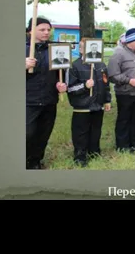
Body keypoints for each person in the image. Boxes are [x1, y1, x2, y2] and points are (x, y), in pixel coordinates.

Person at [25, 17, 67, 169]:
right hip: (28, 100)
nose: (46, 33)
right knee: (27, 133)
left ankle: (35, 161)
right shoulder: (22, 49)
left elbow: (61, 73)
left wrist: (62, 85)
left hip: (49, 99)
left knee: (43, 133)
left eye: (48, 30)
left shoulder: (55, 50)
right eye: (42, 29)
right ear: (31, 30)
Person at [66, 39, 112, 167]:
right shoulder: (74, 66)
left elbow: (106, 83)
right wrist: (85, 86)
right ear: (80, 50)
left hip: (98, 105)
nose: (91, 50)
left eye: (94, 47)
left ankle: (94, 152)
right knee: (81, 132)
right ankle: (80, 156)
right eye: (87, 48)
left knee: (96, 130)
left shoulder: (101, 65)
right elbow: (70, 88)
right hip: (82, 106)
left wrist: (107, 100)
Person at [107, 28, 135, 153]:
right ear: (130, 40)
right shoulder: (118, 54)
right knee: (124, 119)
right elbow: (112, 75)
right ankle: (122, 146)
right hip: (126, 93)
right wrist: (129, 80)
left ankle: (134, 142)